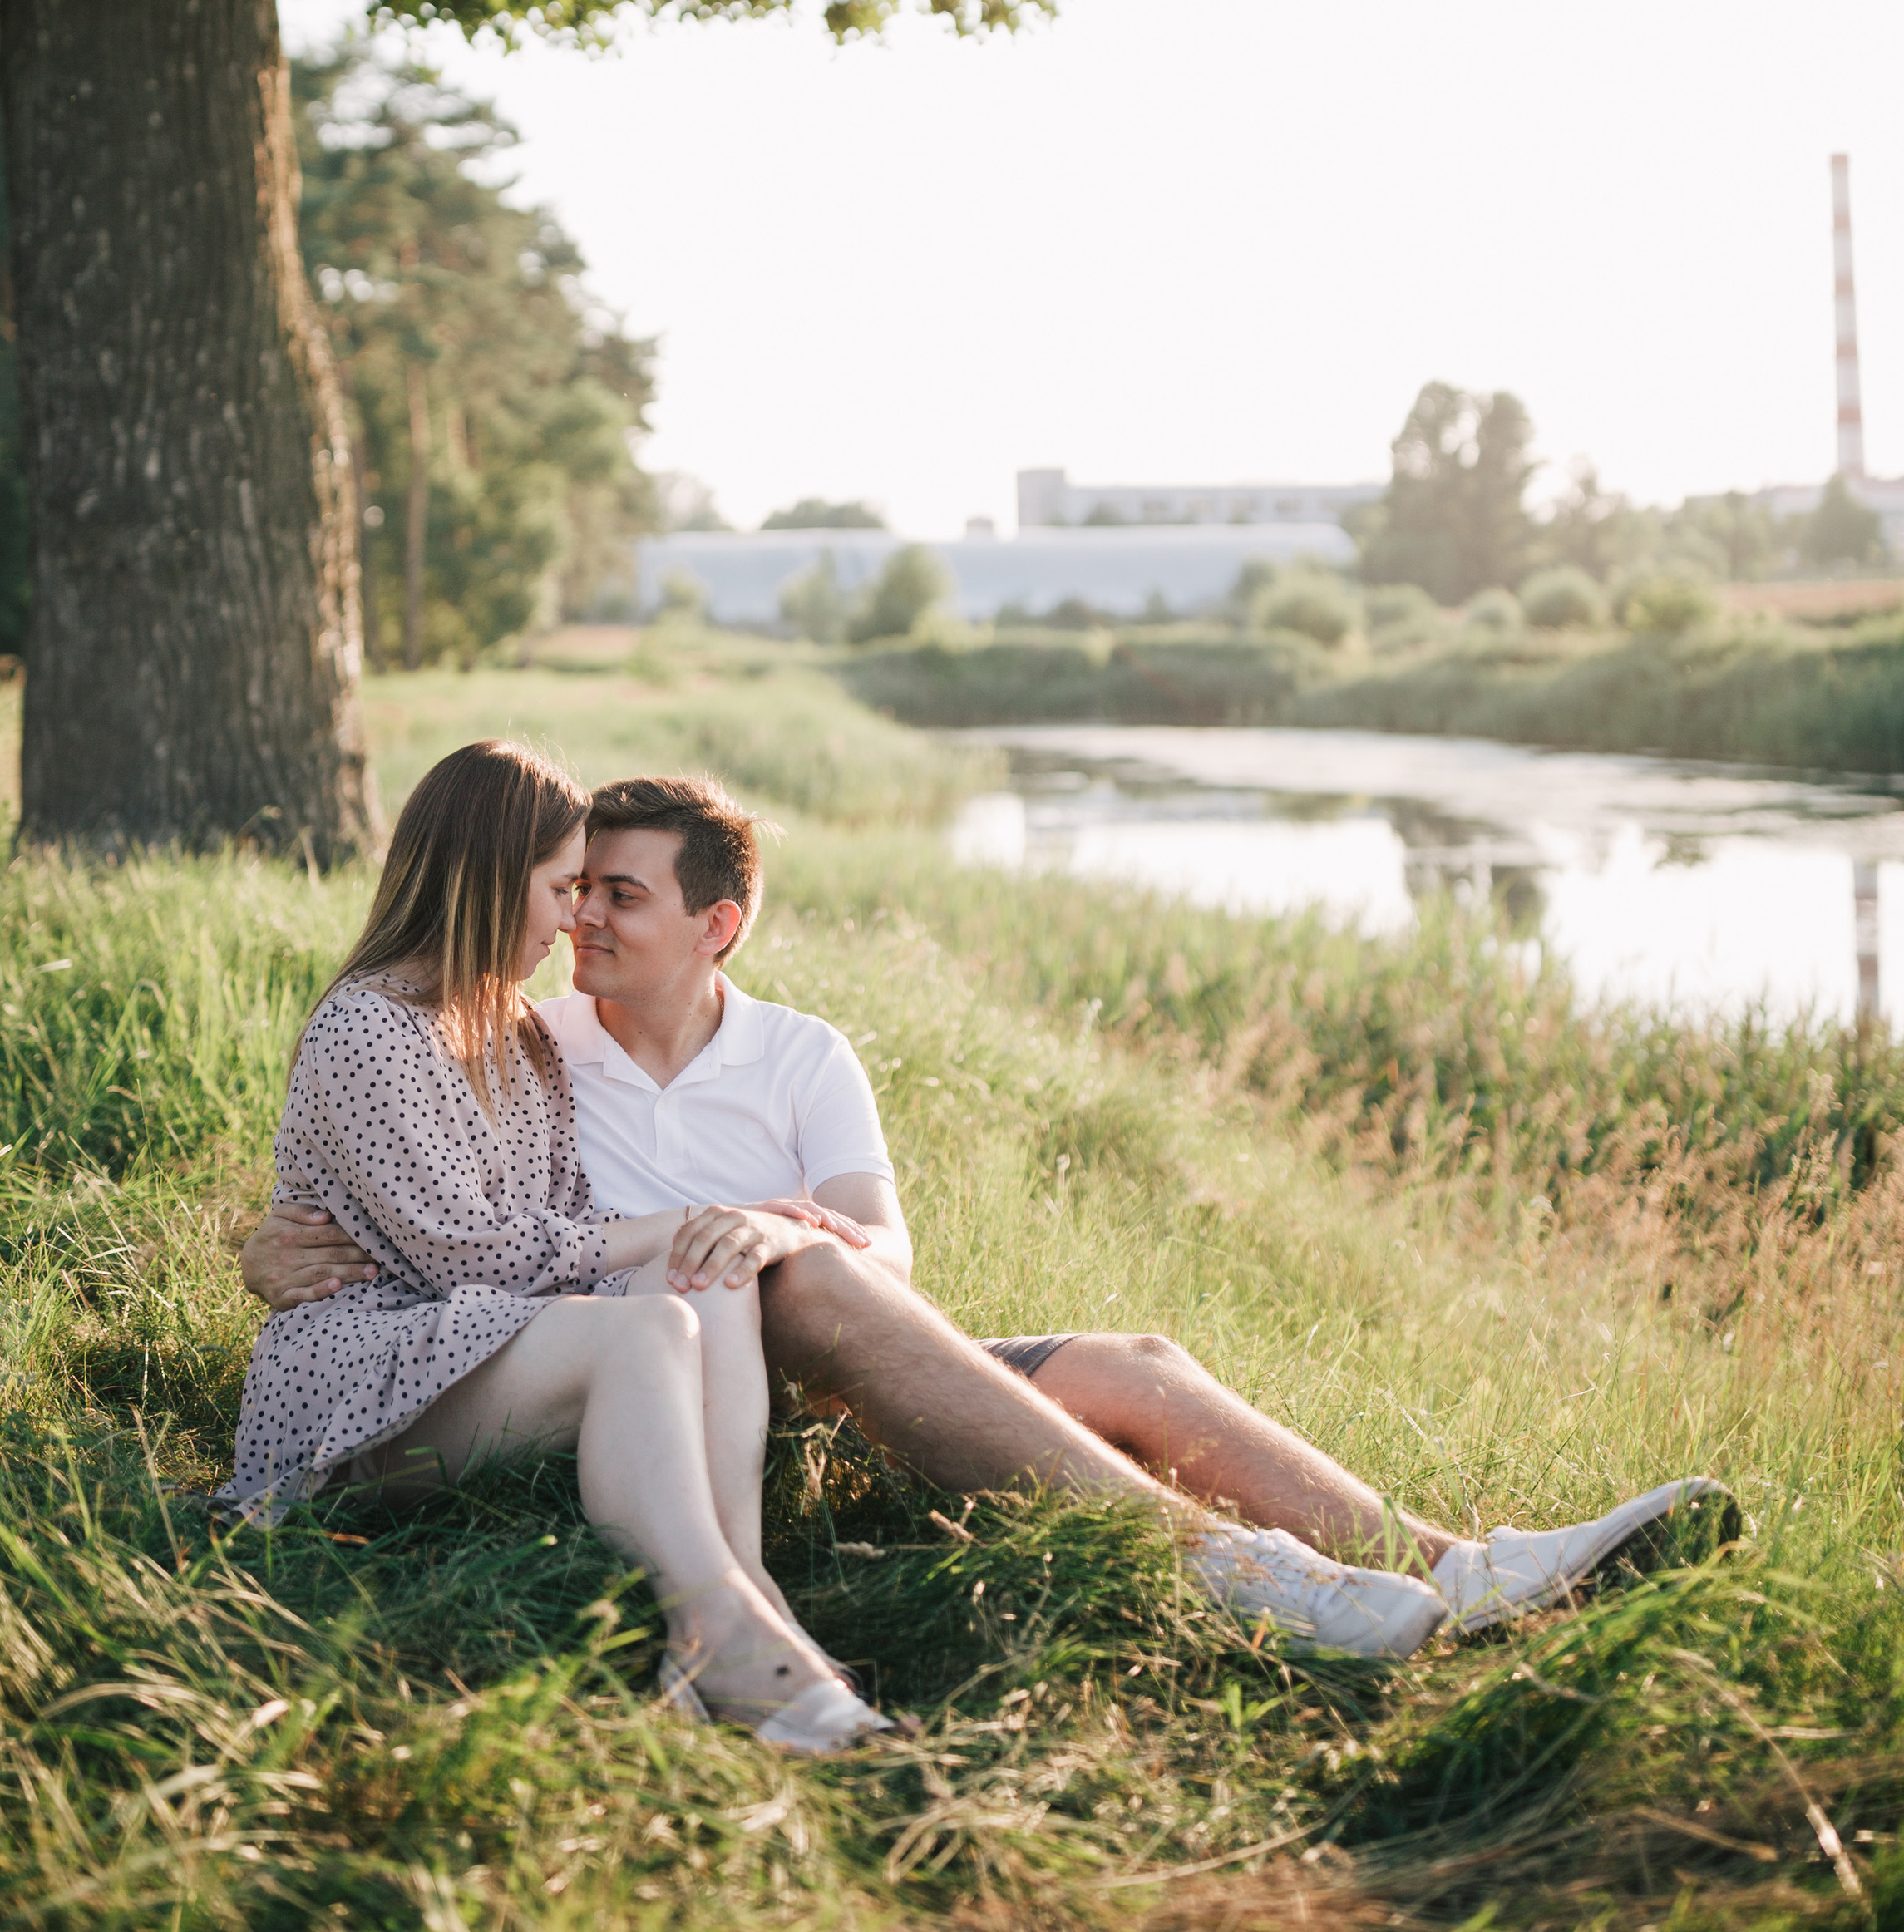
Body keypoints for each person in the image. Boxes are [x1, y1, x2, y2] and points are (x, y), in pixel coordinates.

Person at [241, 769, 1731, 1657]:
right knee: (793, 1279)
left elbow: (884, 1256)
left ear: (716, 927)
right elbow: (401, 1163)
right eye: (576, 893)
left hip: (837, 1344)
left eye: (617, 899)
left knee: (1124, 1355)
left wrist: (794, 1237)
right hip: (677, 1372)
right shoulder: (532, 1040)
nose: (580, 923)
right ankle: (1240, 1576)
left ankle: (1445, 1561)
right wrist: (267, 1245)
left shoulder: (803, 1055)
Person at [218, 741, 890, 1753]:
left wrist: (717, 1233)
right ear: (488, 881)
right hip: (357, 1370)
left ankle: (748, 1611)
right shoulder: (367, 1029)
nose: (574, 915)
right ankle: (721, 1632)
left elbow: (567, 1215)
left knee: (696, 1275)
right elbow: (466, 1255)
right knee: (647, 1319)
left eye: (588, 887)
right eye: (561, 886)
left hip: (479, 1342)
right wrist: (699, 1212)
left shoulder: (517, 1030)